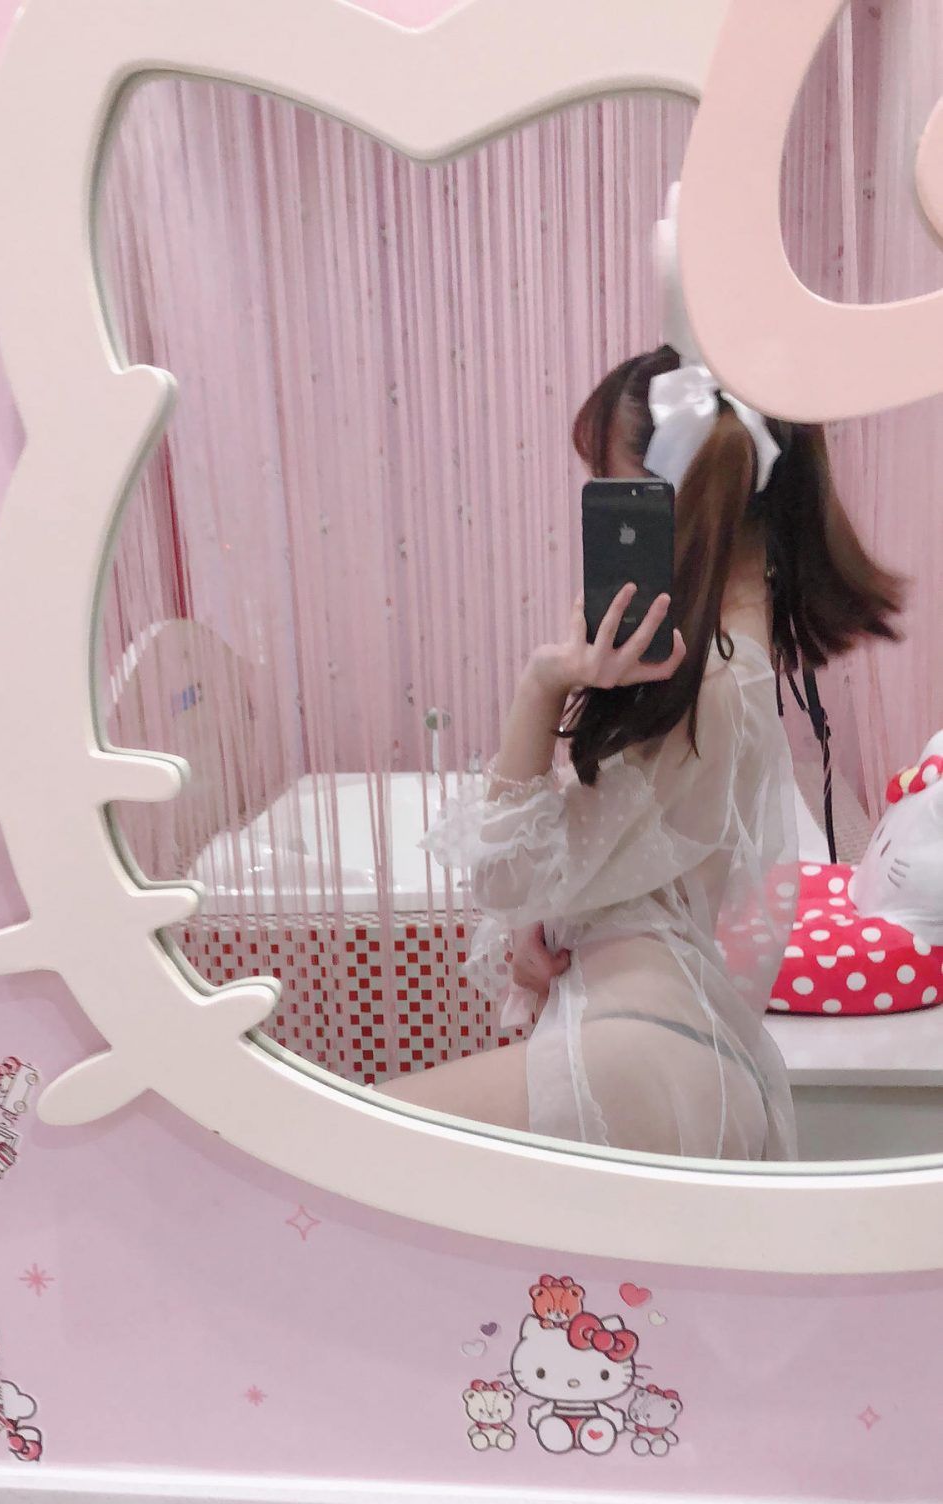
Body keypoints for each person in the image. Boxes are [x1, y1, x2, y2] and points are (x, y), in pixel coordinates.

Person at [380, 342, 903, 1160]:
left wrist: (541, 683)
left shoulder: (712, 682)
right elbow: (601, 866)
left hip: (634, 1051)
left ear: (664, 501)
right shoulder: (729, 663)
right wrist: (549, 917)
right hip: (659, 1035)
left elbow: (508, 876)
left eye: (607, 484)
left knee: (327, 1146)